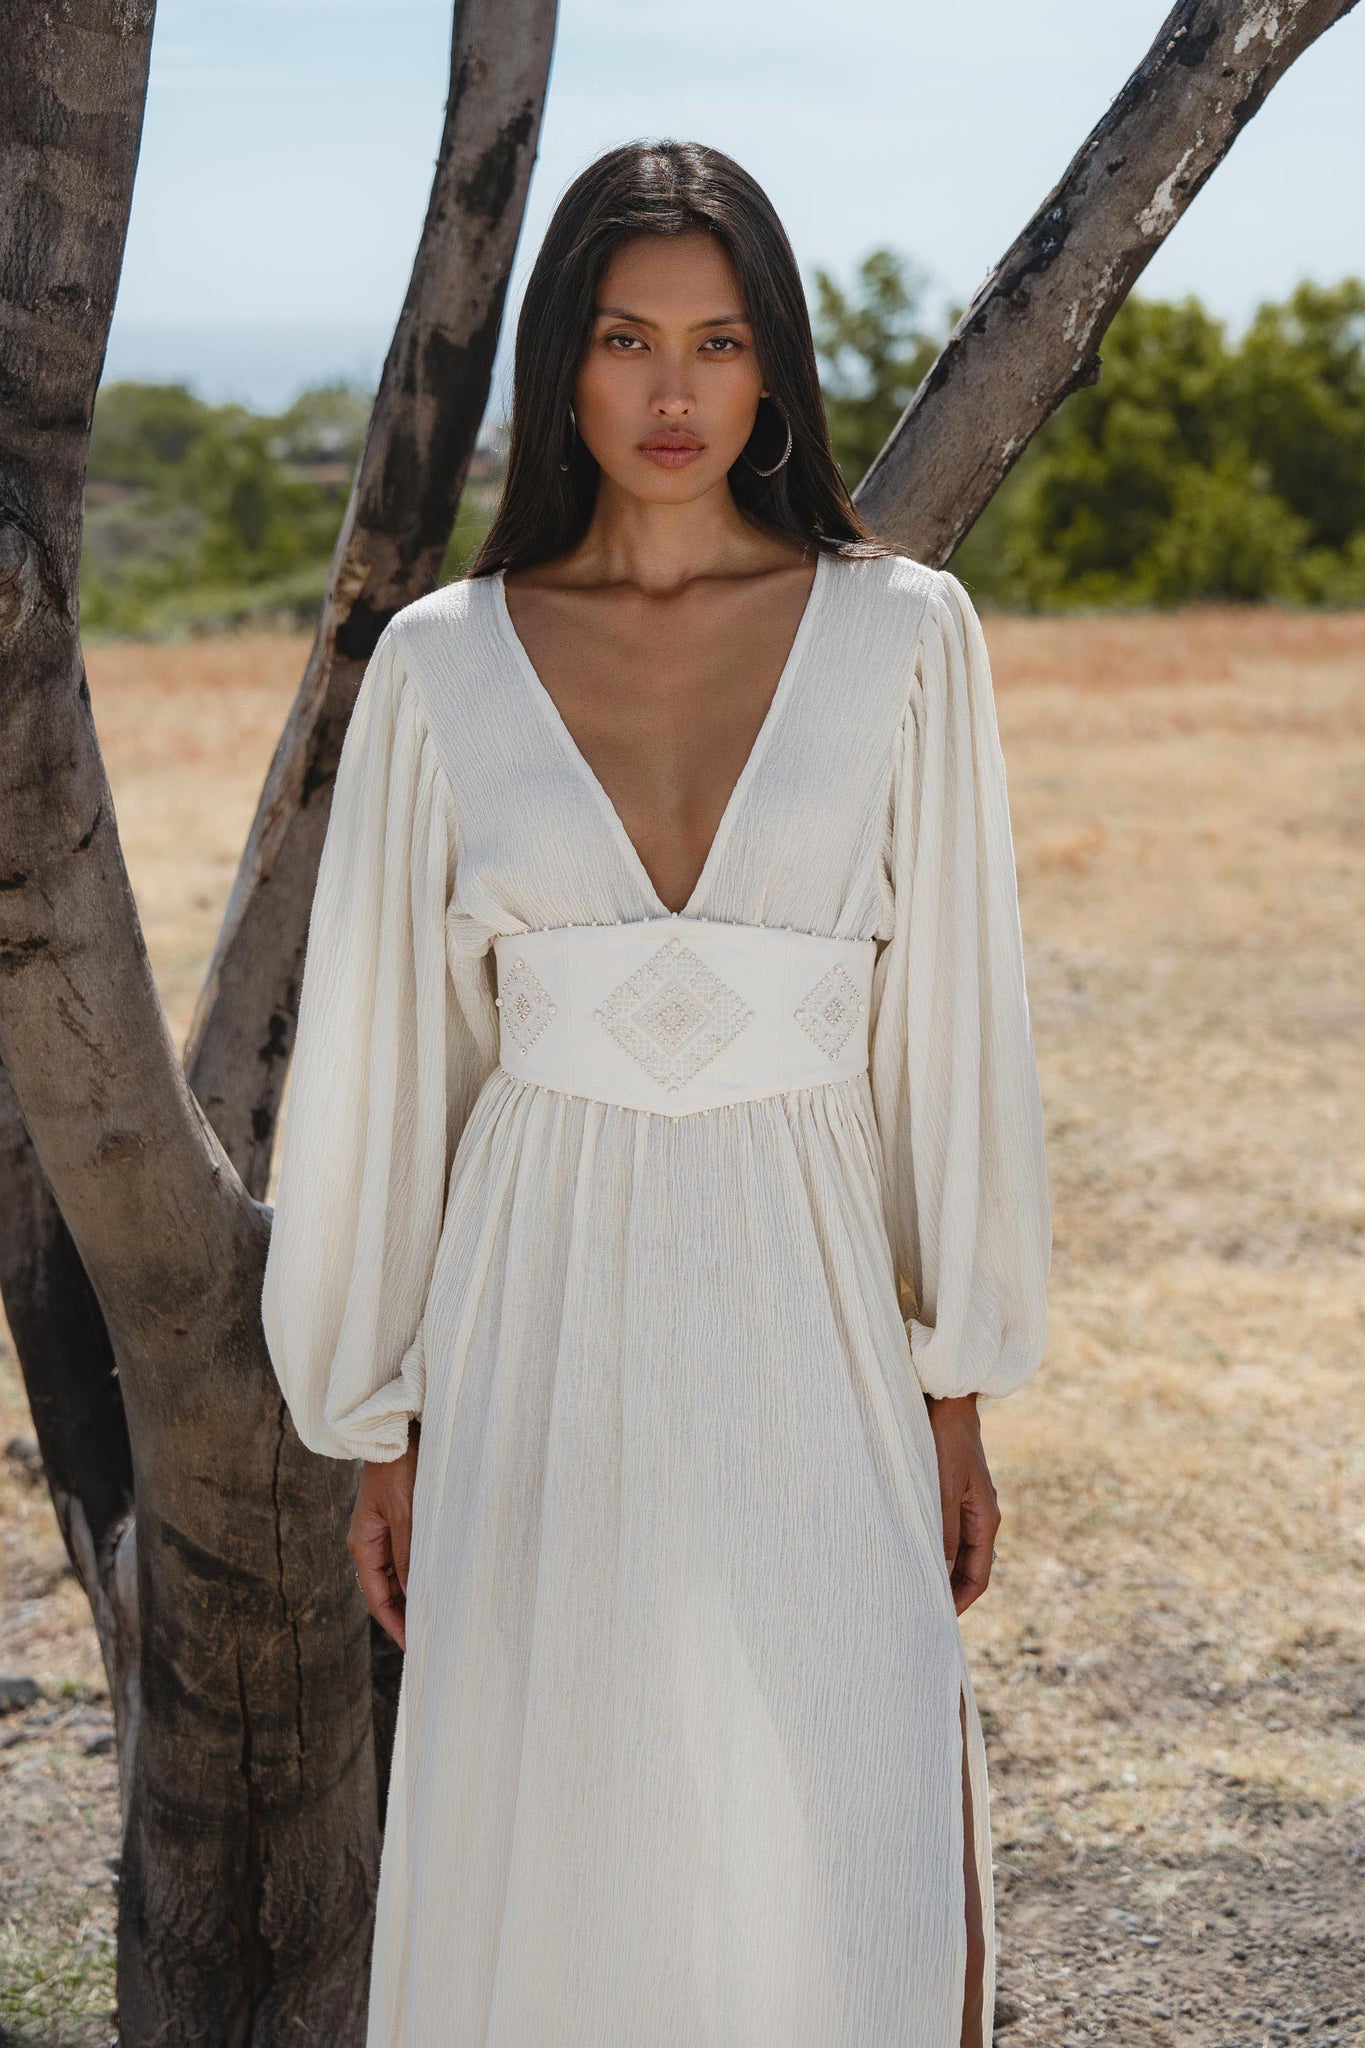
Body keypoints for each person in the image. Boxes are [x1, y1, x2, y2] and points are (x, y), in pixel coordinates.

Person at [261, 137, 1051, 2048]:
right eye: (624, 340)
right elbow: (388, 1071)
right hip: (535, 1321)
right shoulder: (444, 664)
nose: (674, 392)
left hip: (817, 1317)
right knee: (559, 1808)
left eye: (716, 341)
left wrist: (952, 1387)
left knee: (853, 1801)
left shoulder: (901, 637)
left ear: (774, 362)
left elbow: (951, 1031)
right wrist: (380, 1416)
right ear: (566, 368)